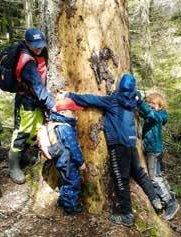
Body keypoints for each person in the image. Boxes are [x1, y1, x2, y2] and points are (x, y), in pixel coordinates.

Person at [60, 73, 162, 227]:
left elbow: (90, 99)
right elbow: (142, 104)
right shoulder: (134, 101)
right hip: (131, 143)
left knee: (120, 178)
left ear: (119, 86)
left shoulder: (113, 100)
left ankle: (127, 215)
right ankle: (156, 200)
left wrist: (68, 95)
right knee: (139, 173)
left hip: (118, 145)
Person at [8, 28, 56, 184]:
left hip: (35, 100)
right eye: (35, 45)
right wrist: (51, 104)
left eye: (40, 44)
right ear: (27, 43)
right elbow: (37, 86)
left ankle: (22, 155)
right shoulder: (27, 62)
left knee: (35, 129)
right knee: (22, 132)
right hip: (26, 101)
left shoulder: (39, 53)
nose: (38, 47)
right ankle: (13, 166)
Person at [38, 98, 86, 215]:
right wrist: (80, 163)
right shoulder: (65, 127)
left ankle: (62, 201)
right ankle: (70, 208)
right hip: (68, 161)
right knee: (72, 182)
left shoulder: (54, 123)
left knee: (66, 181)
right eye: (72, 112)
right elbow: (73, 147)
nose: (74, 114)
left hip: (60, 159)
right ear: (63, 112)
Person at [136, 92, 179, 221]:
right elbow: (145, 113)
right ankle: (170, 196)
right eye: (149, 102)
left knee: (154, 178)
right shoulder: (153, 114)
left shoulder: (158, 115)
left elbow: (151, 115)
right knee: (158, 176)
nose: (150, 105)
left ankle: (170, 203)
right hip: (153, 149)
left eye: (153, 103)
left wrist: (140, 102)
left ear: (160, 106)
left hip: (153, 150)